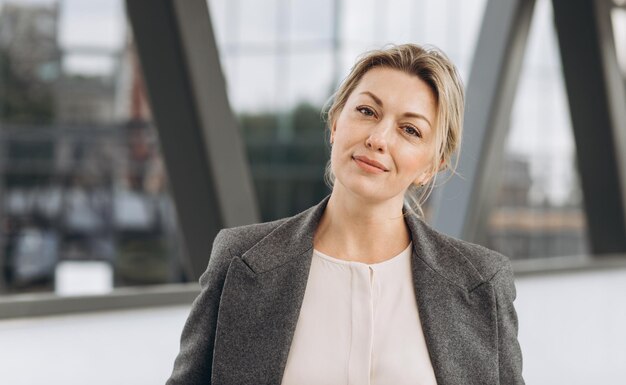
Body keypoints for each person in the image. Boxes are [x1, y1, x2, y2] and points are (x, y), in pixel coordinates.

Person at [166, 43, 524, 385]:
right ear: (336, 122)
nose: (379, 138)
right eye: (367, 111)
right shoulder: (239, 258)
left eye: (410, 130)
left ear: (431, 166)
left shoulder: (482, 281)